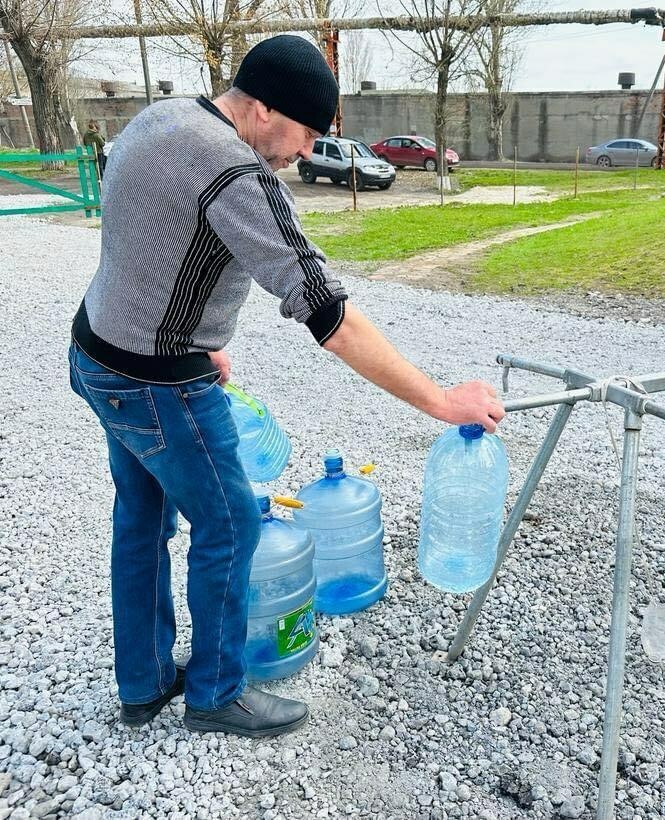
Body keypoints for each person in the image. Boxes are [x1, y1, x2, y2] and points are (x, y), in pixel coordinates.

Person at [68, 34, 504, 738]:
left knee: (142, 514)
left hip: (96, 354)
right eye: (304, 133)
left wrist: (193, 337)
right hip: (154, 382)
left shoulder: (163, 118)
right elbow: (328, 315)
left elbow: (147, 229)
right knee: (232, 523)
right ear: (263, 109)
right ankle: (215, 693)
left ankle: (142, 683)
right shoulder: (236, 173)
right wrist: (439, 399)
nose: (306, 152)